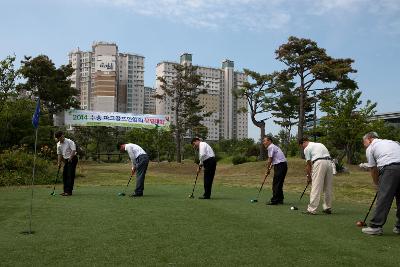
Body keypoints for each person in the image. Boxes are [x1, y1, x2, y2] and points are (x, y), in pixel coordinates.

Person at [361, 132, 400, 235]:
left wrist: (377, 184)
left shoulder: (371, 147)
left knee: (384, 197)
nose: (364, 145)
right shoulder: (392, 142)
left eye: (364, 142)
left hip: (390, 169)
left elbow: (373, 169)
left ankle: (375, 226)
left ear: (369, 139)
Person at [298, 137, 333, 215]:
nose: (302, 148)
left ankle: (311, 209)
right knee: (328, 186)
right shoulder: (319, 144)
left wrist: (309, 176)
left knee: (316, 186)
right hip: (330, 163)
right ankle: (327, 207)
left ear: (303, 142)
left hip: (319, 162)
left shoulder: (307, 148)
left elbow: (308, 165)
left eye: (301, 146)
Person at [262, 135, 288, 205]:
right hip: (283, 165)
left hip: (280, 165)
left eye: (265, 141)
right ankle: (280, 199)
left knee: (276, 183)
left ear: (269, 141)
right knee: (279, 183)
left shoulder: (270, 147)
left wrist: (267, 169)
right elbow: (274, 160)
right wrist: (269, 169)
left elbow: (270, 160)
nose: (263, 142)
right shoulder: (274, 147)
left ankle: (275, 200)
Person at [55, 131, 78, 196]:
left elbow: (73, 150)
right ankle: (65, 191)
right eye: (61, 137)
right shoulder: (58, 144)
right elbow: (59, 154)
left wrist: (70, 158)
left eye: (63, 136)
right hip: (66, 160)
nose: (63, 137)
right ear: (58, 138)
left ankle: (69, 191)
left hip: (73, 158)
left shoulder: (69, 141)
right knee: (65, 174)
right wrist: (59, 163)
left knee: (70, 174)